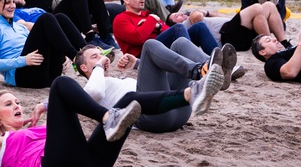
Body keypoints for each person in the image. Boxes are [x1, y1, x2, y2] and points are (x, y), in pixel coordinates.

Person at [0, 76, 146, 167]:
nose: (17, 106)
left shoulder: (44, 130)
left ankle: (176, 97)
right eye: (8, 104)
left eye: (18, 102)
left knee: (129, 100)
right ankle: (107, 118)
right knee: (59, 84)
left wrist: (48, 109)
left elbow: (75, 107)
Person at [73, 41, 227, 133]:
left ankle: (215, 70)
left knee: (179, 43)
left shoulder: (114, 80)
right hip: (153, 118)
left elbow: (158, 82)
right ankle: (200, 71)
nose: (102, 58)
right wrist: (99, 67)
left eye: (101, 55)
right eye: (95, 57)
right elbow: (94, 92)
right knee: (149, 45)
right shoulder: (89, 87)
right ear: (84, 68)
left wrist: (137, 65)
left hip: (178, 112)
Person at [0, 0, 85, 88]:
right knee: (46, 18)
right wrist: (24, 60)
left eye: (13, 2)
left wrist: (63, 57)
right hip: (24, 77)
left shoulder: (19, 27)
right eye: (7, 2)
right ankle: (77, 58)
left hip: (47, 75)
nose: (12, 6)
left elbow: (40, 44)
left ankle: (87, 52)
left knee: (60, 18)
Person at [6, 0, 118, 51]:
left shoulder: (33, 8)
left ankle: (106, 35)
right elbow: (24, 26)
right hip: (51, 27)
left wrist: (88, 24)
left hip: (62, 22)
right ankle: (90, 37)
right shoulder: (13, 13)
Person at [113, 0, 218, 59]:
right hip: (145, 55)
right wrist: (151, 20)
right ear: (126, 0)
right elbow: (139, 38)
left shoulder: (147, 15)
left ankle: (220, 60)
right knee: (179, 28)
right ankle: (204, 62)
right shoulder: (121, 19)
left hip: (163, 48)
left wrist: (157, 26)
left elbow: (169, 31)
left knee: (199, 27)